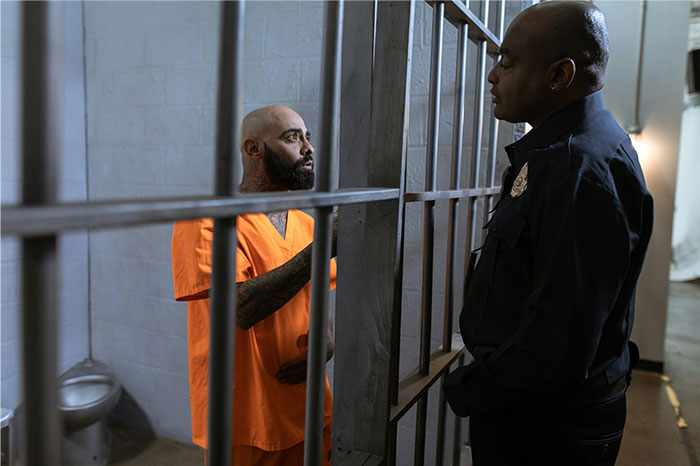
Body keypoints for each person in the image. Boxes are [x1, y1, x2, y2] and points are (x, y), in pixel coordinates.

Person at [443, 2, 653, 465]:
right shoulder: (560, 152)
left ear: (559, 75)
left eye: (507, 61)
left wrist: (470, 388)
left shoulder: (578, 166)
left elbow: (561, 337)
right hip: (536, 407)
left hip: (546, 424)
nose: (493, 76)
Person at [171, 105, 336, 465]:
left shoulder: (306, 224)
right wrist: (324, 247)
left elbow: (316, 292)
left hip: (309, 404)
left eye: (308, 137)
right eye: (292, 137)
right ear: (253, 149)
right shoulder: (208, 219)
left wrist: (325, 339)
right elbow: (239, 308)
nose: (308, 148)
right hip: (248, 417)